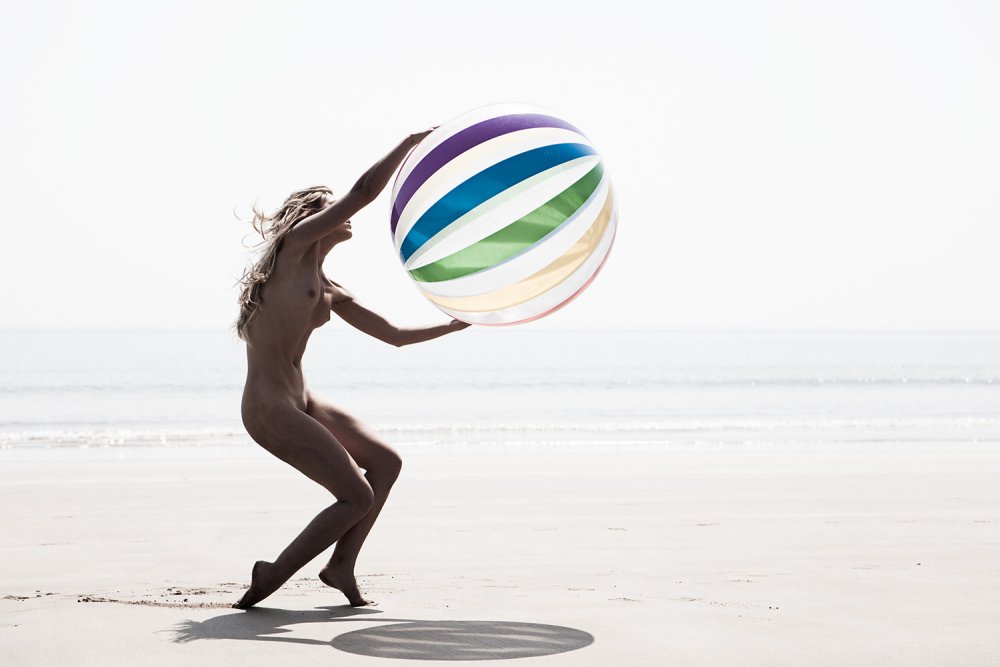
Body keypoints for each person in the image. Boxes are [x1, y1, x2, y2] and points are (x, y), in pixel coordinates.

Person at [232, 129, 470, 609]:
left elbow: (394, 336)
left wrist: (452, 326)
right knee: (356, 497)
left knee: (386, 464)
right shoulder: (292, 251)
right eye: (330, 207)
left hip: (302, 401)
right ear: (312, 218)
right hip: (269, 406)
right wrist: (407, 144)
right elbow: (363, 194)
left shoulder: (326, 284)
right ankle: (273, 574)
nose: (344, 213)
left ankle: (341, 566)